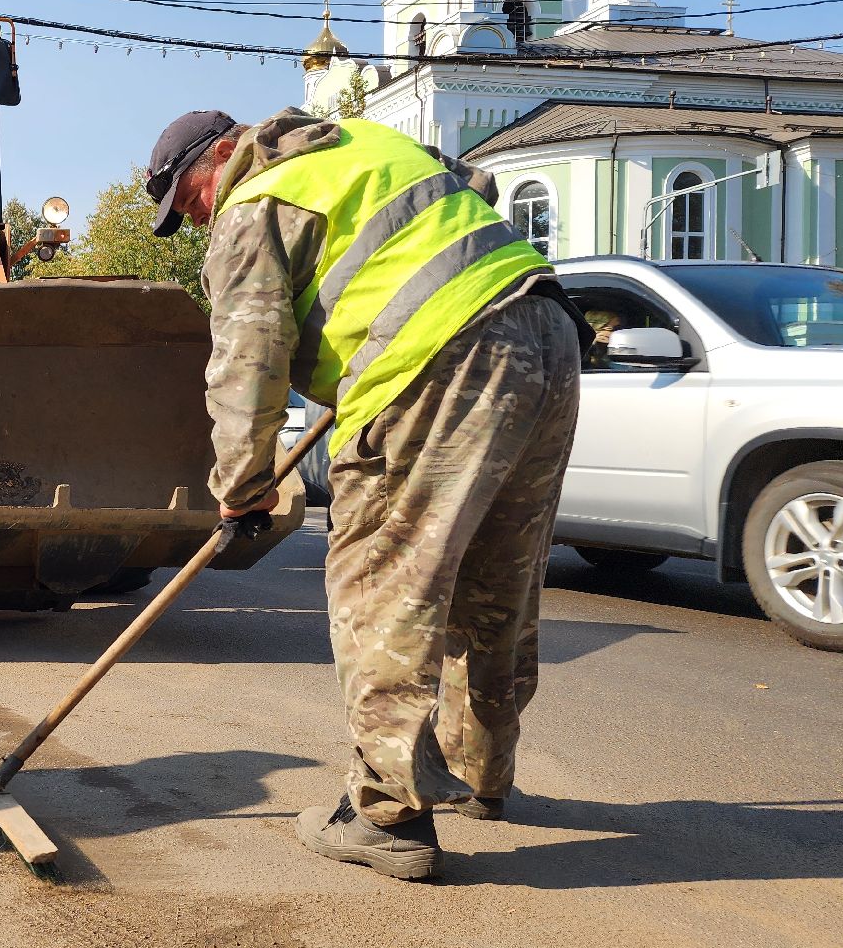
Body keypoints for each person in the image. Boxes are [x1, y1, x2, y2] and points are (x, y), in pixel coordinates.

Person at [144, 108, 590, 881]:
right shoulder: (365, 142)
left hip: (439, 362)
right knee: (496, 587)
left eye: (192, 198)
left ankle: (388, 817)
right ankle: (482, 775)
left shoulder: (256, 202)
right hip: (545, 336)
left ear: (226, 152)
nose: (199, 216)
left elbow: (247, 360)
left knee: (383, 591)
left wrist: (242, 486)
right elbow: (475, 185)